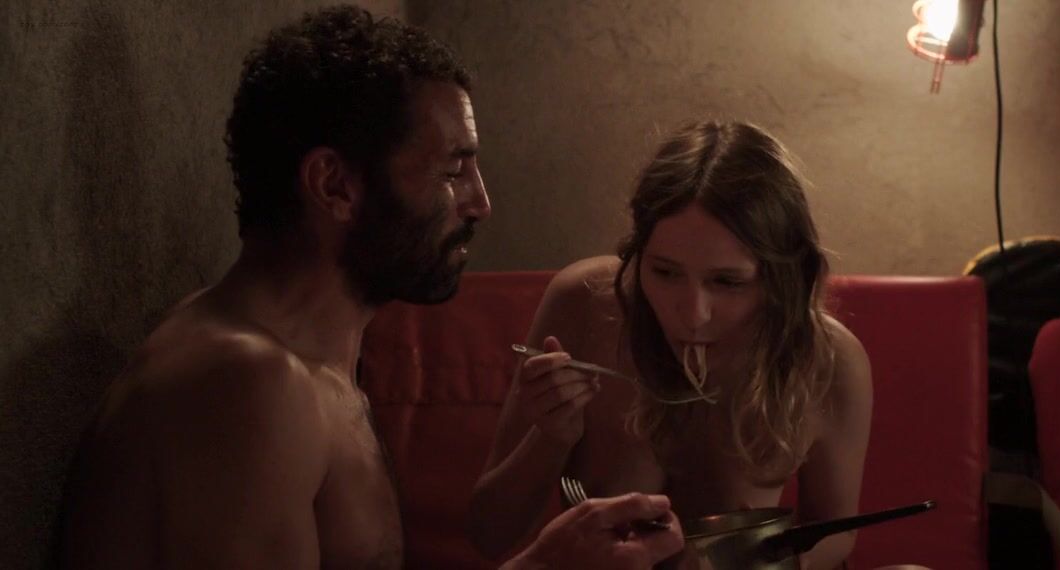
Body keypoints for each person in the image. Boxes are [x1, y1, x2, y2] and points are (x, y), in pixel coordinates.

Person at [56, 6, 683, 569]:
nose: (480, 203)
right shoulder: (245, 384)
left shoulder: (315, 364)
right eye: (453, 170)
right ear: (335, 185)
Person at [471, 121, 874, 569]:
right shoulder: (584, 305)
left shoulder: (826, 359)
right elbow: (489, 535)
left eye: (727, 282)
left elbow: (838, 532)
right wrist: (549, 437)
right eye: (665, 272)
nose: (693, 314)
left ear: (782, 278)